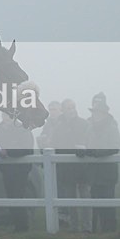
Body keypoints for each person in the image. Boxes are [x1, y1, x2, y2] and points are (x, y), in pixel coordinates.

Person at [80, 93, 120, 232]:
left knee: (107, 203)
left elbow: (115, 146)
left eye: (98, 112)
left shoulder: (112, 126)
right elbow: (85, 143)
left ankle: (109, 231)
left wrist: (97, 153)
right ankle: (95, 231)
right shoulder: (89, 127)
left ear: (104, 113)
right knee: (95, 203)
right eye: (94, 112)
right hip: (93, 172)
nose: (96, 115)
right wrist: (83, 151)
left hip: (107, 172)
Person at [0, 113, 36, 231]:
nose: (6, 118)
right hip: (6, 169)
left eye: (9, 115)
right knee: (11, 196)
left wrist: (8, 152)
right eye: (4, 115)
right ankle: (18, 225)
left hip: (21, 170)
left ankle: (22, 226)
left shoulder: (23, 129)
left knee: (18, 196)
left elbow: (26, 148)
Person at [51, 99, 89, 231]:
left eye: (73, 107)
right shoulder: (58, 127)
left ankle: (86, 228)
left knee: (85, 198)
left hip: (83, 168)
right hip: (66, 169)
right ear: (63, 110)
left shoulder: (84, 124)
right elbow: (54, 145)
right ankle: (74, 227)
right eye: (68, 108)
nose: (72, 110)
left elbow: (88, 141)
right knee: (70, 199)